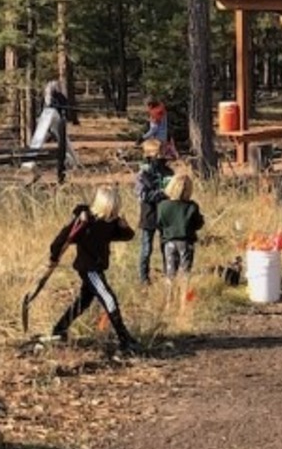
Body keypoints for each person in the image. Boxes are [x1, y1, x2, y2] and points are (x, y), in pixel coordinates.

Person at [47, 185, 139, 356]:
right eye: (113, 208)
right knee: (108, 298)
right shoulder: (85, 221)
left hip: (96, 267)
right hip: (88, 268)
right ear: (105, 206)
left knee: (83, 302)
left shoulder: (109, 223)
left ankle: (59, 329)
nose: (115, 212)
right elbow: (61, 240)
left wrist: (124, 226)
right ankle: (125, 338)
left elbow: (126, 236)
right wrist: (53, 258)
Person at [135, 139, 173, 285]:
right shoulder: (143, 173)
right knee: (146, 248)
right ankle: (144, 278)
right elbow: (142, 195)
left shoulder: (168, 171)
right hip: (149, 215)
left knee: (167, 246)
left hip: (165, 214)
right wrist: (161, 193)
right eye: (160, 152)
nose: (163, 155)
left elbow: (174, 189)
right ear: (151, 155)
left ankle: (169, 275)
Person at [157, 173, 205, 279]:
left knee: (170, 273)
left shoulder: (163, 206)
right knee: (185, 273)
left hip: (169, 241)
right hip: (186, 242)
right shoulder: (192, 206)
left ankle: (170, 294)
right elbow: (198, 224)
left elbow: (159, 223)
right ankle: (183, 294)